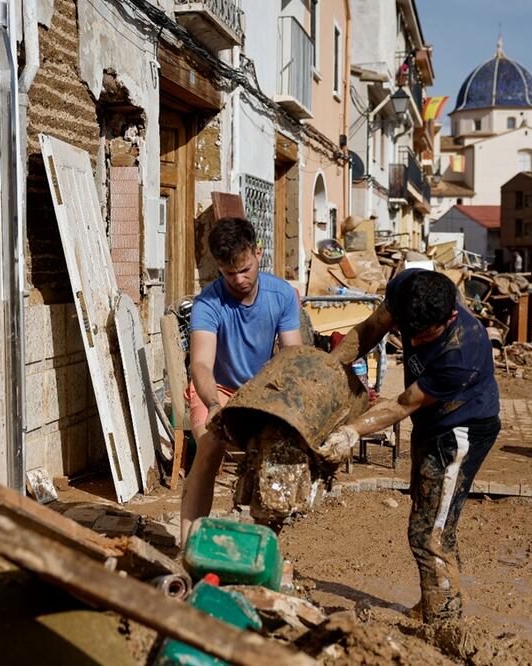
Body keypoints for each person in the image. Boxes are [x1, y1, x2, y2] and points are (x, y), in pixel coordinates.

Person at [324, 269, 500, 624]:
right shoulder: (409, 288)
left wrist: (351, 432)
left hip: (460, 431)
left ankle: (443, 622)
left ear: (450, 316)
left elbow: (403, 403)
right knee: (429, 516)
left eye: (424, 337)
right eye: (409, 334)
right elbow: (371, 329)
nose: (415, 344)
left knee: (429, 531)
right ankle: (438, 599)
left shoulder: (463, 350)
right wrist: (328, 368)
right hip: (431, 423)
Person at [181, 216, 302, 543]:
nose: (238, 279)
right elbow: (201, 366)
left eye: (245, 269)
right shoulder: (208, 302)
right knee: (208, 447)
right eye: (228, 272)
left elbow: (292, 357)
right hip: (216, 388)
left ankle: (263, 545)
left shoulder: (283, 295)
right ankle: (188, 545)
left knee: (276, 458)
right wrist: (214, 406)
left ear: (257, 253)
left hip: (261, 390)